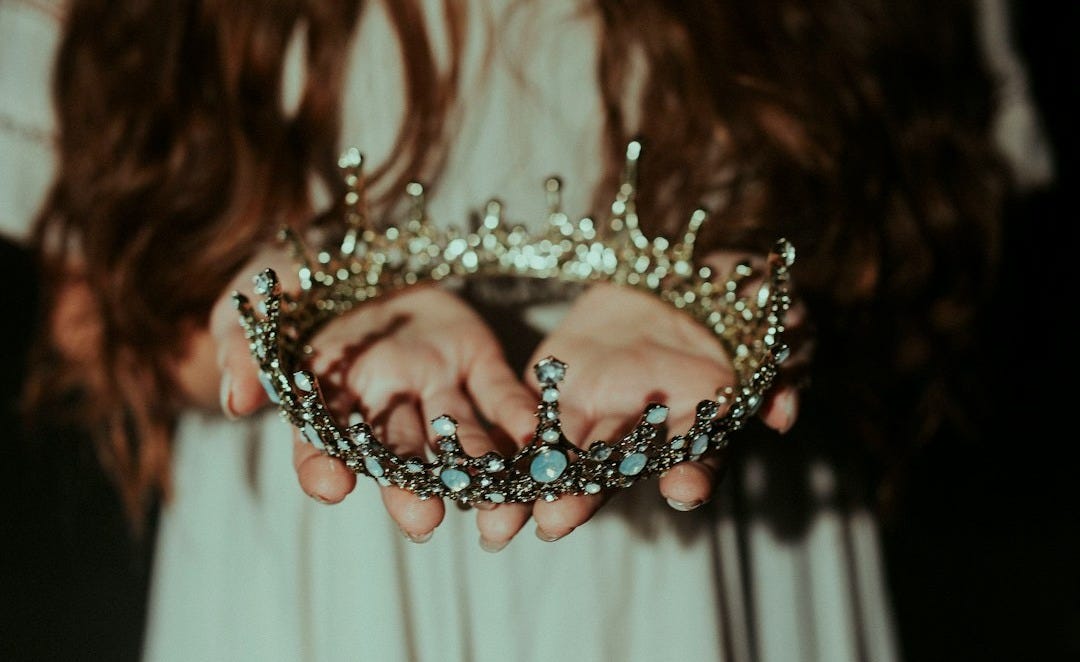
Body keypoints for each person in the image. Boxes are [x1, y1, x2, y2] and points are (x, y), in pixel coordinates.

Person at [15, 0, 1017, 660]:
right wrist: (271, 335)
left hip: (722, 562)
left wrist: (782, 306)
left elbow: (944, 217)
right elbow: (86, 309)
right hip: (319, 589)